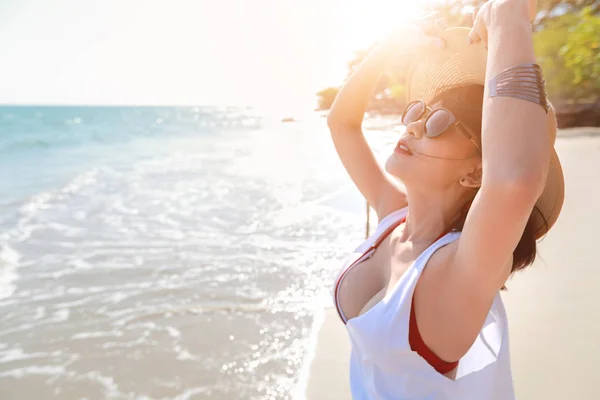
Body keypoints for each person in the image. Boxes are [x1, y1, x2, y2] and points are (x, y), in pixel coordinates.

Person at [327, 0, 565, 398]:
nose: (416, 125)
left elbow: (516, 180)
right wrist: (389, 46)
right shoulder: (393, 218)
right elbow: (343, 124)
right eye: (418, 111)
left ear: (476, 172)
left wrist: (509, 17)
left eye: (439, 123)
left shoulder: (459, 266)